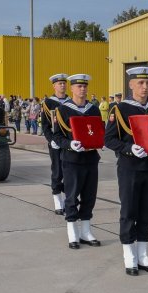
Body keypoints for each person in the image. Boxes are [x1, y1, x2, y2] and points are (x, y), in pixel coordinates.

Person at [104, 66, 148, 275]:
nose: (144, 87)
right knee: (129, 211)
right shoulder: (120, 109)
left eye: (147, 83)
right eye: (140, 83)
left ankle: (143, 254)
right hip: (130, 168)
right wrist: (128, 149)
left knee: (147, 211)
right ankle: (129, 256)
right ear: (131, 84)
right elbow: (108, 139)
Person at [50, 74, 102, 250]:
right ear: (71, 89)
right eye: (79, 86)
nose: (82, 89)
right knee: (71, 197)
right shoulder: (63, 110)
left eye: (85, 86)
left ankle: (86, 231)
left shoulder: (93, 109)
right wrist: (70, 144)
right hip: (72, 160)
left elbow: (97, 131)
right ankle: (72, 232)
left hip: (91, 159)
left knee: (89, 197)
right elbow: (56, 136)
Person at [41, 75, 72, 215]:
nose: (62, 86)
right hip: (55, 142)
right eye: (59, 84)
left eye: (64, 83)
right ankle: (57, 201)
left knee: (69, 172)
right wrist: (51, 139)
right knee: (57, 171)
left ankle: (67, 200)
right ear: (54, 86)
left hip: (69, 142)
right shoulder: (48, 103)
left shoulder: (71, 102)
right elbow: (46, 125)